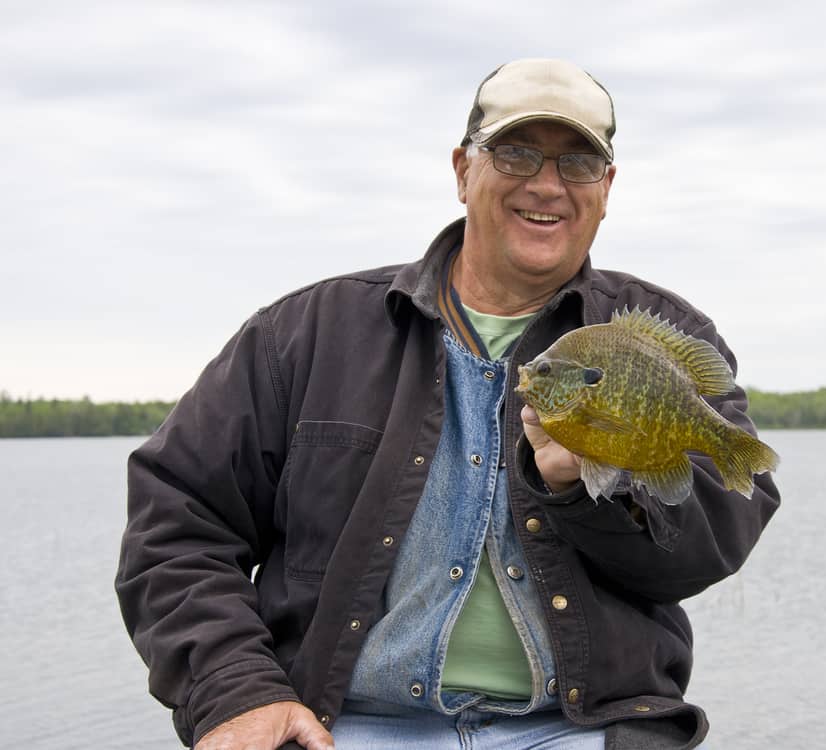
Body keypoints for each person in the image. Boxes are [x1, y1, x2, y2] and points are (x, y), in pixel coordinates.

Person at [116, 57, 780, 750]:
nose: (546, 185)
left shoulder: (665, 334)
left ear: (606, 189)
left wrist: (584, 491)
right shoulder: (304, 335)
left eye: (578, 163)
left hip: (579, 731)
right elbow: (177, 521)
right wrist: (237, 690)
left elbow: (713, 541)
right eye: (517, 153)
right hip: (343, 726)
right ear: (464, 170)